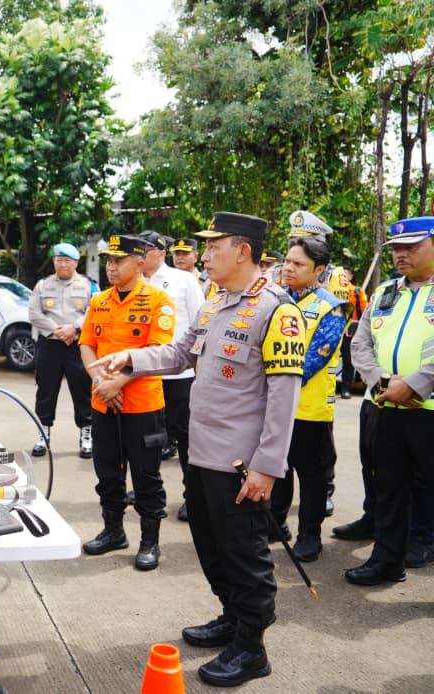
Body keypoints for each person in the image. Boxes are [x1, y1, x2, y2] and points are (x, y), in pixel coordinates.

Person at [90, 212, 304, 687]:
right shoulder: (214, 303)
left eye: (213, 247)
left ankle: (252, 647)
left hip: (241, 464)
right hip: (203, 455)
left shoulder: (276, 311)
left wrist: (267, 467)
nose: (204, 255)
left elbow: (283, 399)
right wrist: (131, 357)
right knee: (211, 547)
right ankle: (231, 618)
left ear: (242, 251)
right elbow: (179, 353)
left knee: (245, 554)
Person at [344, 217, 434, 586]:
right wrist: (381, 380)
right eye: (396, 248)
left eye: (412, 247)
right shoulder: (385, 293)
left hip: (427, 411)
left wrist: (413, 384)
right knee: (389, 488)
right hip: (386, 407)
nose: (401, 255)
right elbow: (360, 344)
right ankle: (386, 560)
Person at [78, 235, 173, 571]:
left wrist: (120, 381)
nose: (111, 267)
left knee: (146, 475)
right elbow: (86, 344)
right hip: (104, 401)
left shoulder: (159, 301)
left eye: (119, 260)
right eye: (109, 261)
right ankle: (113, 530)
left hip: (142, 404)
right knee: (107, 470)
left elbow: (158, 353)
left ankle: (150, 541)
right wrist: (103, 382)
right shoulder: (99, 300)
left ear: (140, 262)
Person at [269, 236, 348, 561]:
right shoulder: (275, 299)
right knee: (278, 469)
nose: (288, 267)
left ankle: (309, 534)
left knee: (311, 477)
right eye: (287, 261)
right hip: (273, 406)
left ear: (319, 270)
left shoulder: (331, 307)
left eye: (298, 264)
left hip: (309, 409)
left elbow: (313, 360)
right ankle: (275, 524)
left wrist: (268, 373)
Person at [139, 231, 205, 521]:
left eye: (146, 249)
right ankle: (150, 493)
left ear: (160, 252)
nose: (139, 254)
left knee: (186, 440)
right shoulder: (135, 282)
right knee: (148, 439)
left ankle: (193, 496)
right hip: (145, 375)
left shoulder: (184, 280)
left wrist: (200, 367)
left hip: (180, 375)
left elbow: (202, 322)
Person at [28, 243, 97, 458]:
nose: (62, 264)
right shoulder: (42, 285)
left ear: (76, 262)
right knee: (46, 390)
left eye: (67, 260)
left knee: (83, 389)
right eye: (59, 260)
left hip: (77, 345)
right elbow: (34, 313)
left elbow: (93, 312)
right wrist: (58, 332)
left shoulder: (88, 286)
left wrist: (73, 328)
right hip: (50, 345)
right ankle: (43, 433)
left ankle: (87, 434)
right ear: (54, 262)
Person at [339, 268, 367, 398]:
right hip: (334, 329)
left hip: (350, 331)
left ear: (350, 276)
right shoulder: (331, 290)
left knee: (348, 360)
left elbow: (365, 311)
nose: (343, 277)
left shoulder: (357, 292)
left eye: (345, 275)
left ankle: (346, 387)